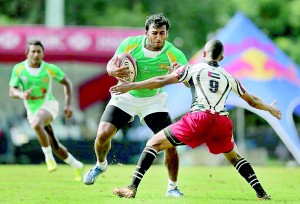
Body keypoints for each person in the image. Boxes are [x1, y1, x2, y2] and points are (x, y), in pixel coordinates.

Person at [110, 39, 282, 200]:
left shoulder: (193, 68)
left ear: (204, 54)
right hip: (222, 122)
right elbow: (252, 100)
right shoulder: (229, 77)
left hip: (198, 118)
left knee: (153, 144)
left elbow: (161, 80)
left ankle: (131, 188)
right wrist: (270, 108)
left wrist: (131, 86)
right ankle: (262, 193)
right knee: (235, 157)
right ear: (221, 57)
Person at [83, 13, 188, 197]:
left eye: (162, 33)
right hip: (126, 96)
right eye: (154, 32)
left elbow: (189, 82)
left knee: (170, 144)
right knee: (102, 135)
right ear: (146, 32)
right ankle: (101, 165)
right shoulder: (130, 44)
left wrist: (180, 74)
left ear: (167, 34)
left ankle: (173, 187)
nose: (158, 37)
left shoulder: (174, 54)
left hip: (153, 101)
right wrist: (112, 70)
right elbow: (111, 66)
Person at [9, 40, 84, 181]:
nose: (36, 54)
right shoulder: (19, 69)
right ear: (27, 53)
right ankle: (77, 165)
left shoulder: (50, 69)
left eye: (39, 51)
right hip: (32, 110)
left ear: (43, 54)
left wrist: (68, 105)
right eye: (33, 51)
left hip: (49, 106)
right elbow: (12, 91)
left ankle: (48, 158)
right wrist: (21, 94)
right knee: (55, 144)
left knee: (37, 123)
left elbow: (66, 82)